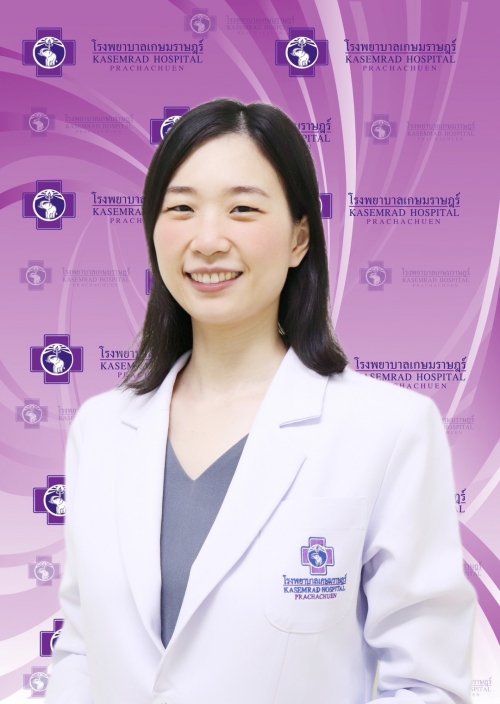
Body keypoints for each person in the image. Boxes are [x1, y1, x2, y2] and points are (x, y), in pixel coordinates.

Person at [45, 99, 477, 704]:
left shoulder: (389, 428)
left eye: (243, 208)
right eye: (181, 208)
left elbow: (428, 685)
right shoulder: (100, 428)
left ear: (300, 237)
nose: (208, 240)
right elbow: (82, 650)